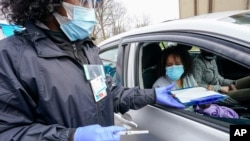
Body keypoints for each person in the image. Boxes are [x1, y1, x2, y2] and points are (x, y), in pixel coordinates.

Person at [0, 0, 185, 141]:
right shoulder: (10, 57)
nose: (89, 7)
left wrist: (151, 95)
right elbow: (8, 132)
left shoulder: (87, 50)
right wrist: (72, 136)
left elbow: (108, 93)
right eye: (83, 0)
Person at [153, 45, 239, 119]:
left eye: (178, 64)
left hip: (202, 113)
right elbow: (165, 114)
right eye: (169, 65)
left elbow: (198, 97)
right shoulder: (159, 86)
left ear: (184, 64)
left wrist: (205, 99)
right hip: (186, 119)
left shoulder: (188, 77)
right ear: (164, 66)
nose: (174, 67)